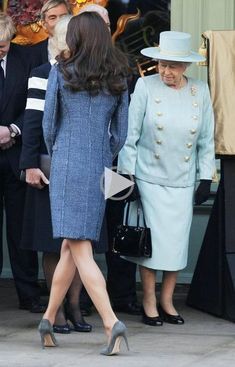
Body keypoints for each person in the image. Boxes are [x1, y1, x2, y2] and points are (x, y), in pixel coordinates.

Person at [39, 12, 129, 355]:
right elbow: (120, 134)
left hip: (66, 163)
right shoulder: (119, 75)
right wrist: (103, 155)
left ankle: (110, 322)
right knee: (71, 245)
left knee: (80, 247)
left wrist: (60, 152)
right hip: (99, 166)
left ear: (76, 38)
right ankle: (48, 319)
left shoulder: (60, 71)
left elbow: (48, 125)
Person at [117, 31, 216, 326]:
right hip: (148, 179)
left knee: (174, 245)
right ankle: (149, 301)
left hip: (182, 180)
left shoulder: (200, 90)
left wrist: (205, 177)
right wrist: (128, 177)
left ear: (186, 66)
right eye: (161, 65)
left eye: (172, 66)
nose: (166, 71)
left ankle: (167, 301)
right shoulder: (145, 86)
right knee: (150, 246)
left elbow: (206, 139)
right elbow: (129, 136)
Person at [20, 14, 92, 334]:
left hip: (81, 171)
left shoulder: (89, 73)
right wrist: (30, 165)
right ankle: (58, 310)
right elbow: (33, 124)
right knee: (53, 245)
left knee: (79, 243)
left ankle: (76, 307)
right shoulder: (41, 73)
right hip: (48, 170)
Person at [77, 2, 141, 317]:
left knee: (119, 226)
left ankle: (123, 294)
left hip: (116, 163)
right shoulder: (71, 65)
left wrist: (117, 158)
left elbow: (126, 121)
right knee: (87, 231)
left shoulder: (124, 64)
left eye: (104, 22)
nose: (101, 29)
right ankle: (87, 298)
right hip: (84, 164)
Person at [0, 12, 45, 312]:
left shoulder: (25, 59)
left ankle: (29, 295)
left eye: (2, 45)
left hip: (17, 157)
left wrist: (12, 129)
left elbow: (34, 109)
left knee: (20, 233)